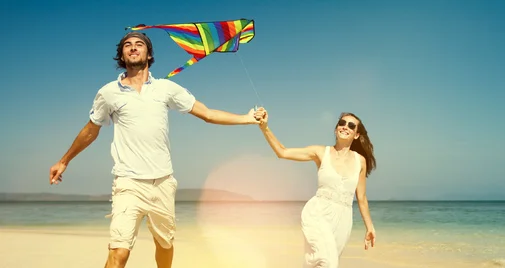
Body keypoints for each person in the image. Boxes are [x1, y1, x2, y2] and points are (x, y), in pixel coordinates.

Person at [48, 32, 262, 268]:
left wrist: (247, 118)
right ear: (121, 55)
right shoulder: (108, 92)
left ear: (148, 54)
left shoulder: (166, 88)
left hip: (162, 183)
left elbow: (207, 113)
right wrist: (64, 160)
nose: (133, 48)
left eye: (139, 44)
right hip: (128, 183)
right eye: (127, 45)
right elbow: (91, 130)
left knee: (165, 245)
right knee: (119, 251)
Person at [254, 108, 377, 267]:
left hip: (343, 220)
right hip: (317, 213)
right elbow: (282, 152)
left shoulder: (360, 161)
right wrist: (265, 127)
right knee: (329, 263)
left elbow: (361, 198)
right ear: (336, 128)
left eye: (351, 126)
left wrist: (370, 227)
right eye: (342, 123)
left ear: (357, 134)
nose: (345, 126)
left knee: (318, 264)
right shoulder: (320, 152)